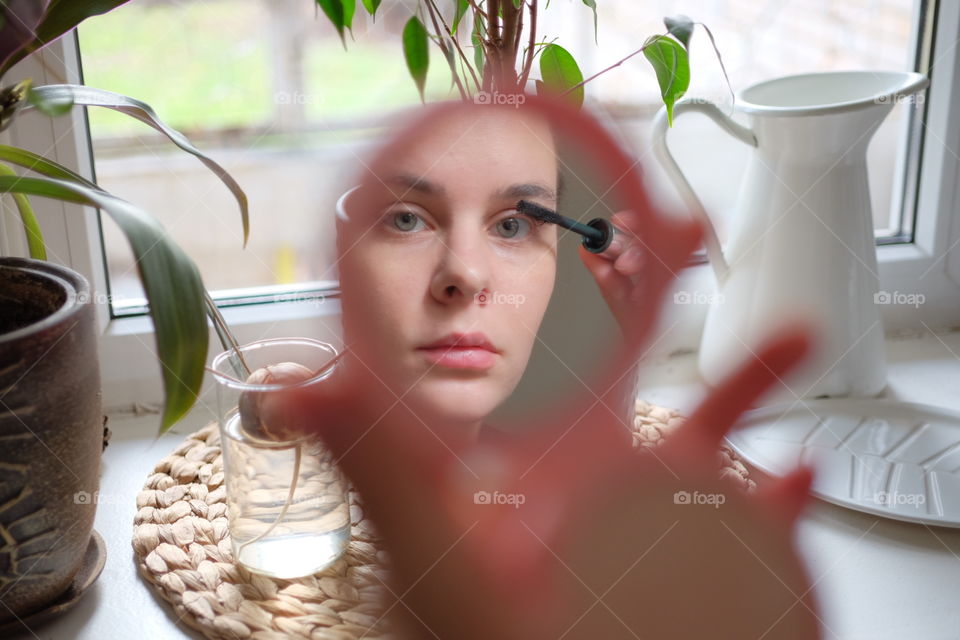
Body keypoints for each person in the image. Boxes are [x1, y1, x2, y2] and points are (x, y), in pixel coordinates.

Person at [265, 95, 823, 639]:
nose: (465, 274)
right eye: (407, 219)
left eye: (512, 225)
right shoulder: (287, 515)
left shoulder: (619, 537)